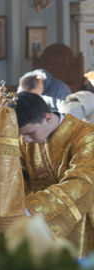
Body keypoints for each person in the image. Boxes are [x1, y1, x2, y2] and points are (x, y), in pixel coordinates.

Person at [14, 92, 94, 256]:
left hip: (79, 219)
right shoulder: (26, 140)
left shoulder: (86, 137)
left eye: (29, 133)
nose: (26, 141)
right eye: (22, 135)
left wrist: (30, 208)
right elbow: (18, 174)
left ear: (48, 118)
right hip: (36, 221)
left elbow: (81, 183)